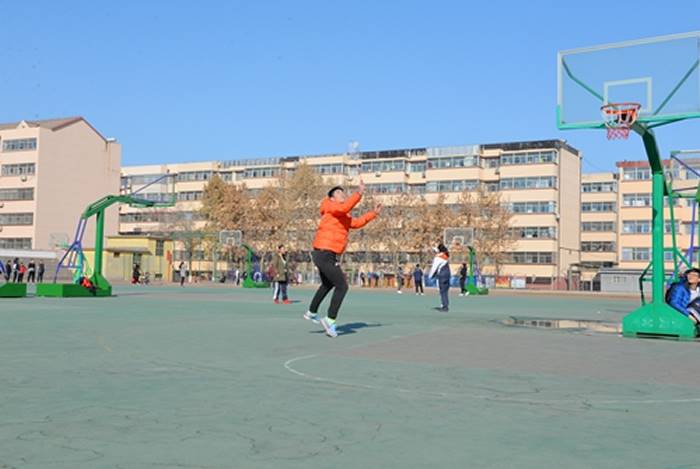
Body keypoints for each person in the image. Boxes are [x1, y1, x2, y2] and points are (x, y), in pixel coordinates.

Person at [304, 181, 381, 338]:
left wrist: (373, 213)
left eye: (343, 192)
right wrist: (359, 193)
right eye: (339, 193)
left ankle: (311, 312)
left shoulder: (342, 215)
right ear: (332, 198)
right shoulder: (330, 206)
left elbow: (356, 223)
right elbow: (344, 207)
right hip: (325, 252)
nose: (342, 194)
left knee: (327, 284)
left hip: (326, 253)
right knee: (342, 286)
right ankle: (330, 320)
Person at [429, 243, 451, 312]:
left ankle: (444, 306)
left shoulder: (438, 257)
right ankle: (444, 304)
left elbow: (434, 268)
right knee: (445, 291)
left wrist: (430, 276)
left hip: (442, 275)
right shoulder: (445, 256)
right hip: (447, 274)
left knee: (442, 291)